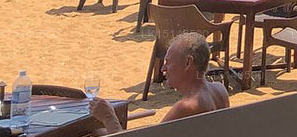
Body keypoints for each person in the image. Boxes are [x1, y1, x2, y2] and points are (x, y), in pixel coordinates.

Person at [90, 33, 228, 132]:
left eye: (168, 62)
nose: (163, 69)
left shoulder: (187, 107)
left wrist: (109, 118)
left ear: (188, 62)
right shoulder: (220, 91)